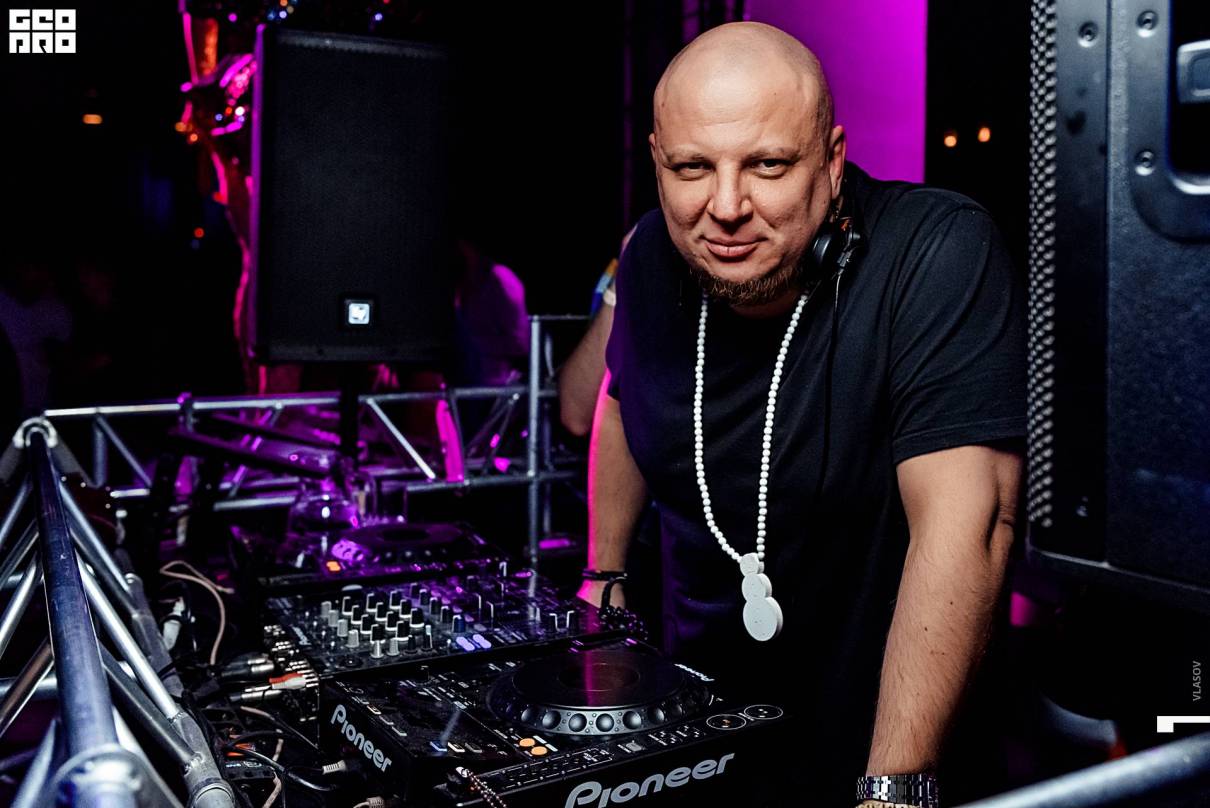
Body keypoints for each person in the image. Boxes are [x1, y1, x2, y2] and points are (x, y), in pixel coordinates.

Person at [579, 22, 1025, 807]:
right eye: (691, 168)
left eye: (768, 165)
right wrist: (602, 574)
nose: (725, 207)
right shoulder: (651, 255)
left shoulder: (935, 252)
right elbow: (619, 401)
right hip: (699, 731)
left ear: (831, 159)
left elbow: (968, 528)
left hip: (878, 734)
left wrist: (892, 789)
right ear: (657, 161)